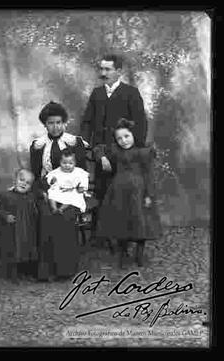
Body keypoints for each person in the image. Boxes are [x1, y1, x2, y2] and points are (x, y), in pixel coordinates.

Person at [81, 53, 148, 239]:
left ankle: (125, 236)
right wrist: (86, 141)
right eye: (101, 69)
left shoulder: (131, 93)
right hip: (101, 152)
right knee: (102, 192)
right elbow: (87, 121)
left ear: (119, 71)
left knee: (123, 195)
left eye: (107, 69)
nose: (103, 73)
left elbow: (140, 124)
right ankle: (102, 234)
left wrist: (133, 150)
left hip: (123, 154)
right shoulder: (97, 93)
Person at [30, 101, 89, 281]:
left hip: (71, 190)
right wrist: (44, 192)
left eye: (58, 122)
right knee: (47, 216)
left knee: (64, 216)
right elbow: (36, 173)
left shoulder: (74, 142)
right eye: (50, 123)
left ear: (64, 123)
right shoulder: (38, 146)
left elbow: (81, 172)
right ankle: (46, 271)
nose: (55, 127)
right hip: (47, 189)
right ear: (45, 124)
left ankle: (65, 268)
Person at [95, 118, 162, 268]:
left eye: (126, 136)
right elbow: (98, 148)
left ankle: (139, 252)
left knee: (140, 222)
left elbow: (149, 175)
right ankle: (123, 252)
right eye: (119, 138)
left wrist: (148, 195)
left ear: (133, 135)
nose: (123, 141)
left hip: (139, 193)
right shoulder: (115, 150)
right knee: (121, 222)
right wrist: (103, 158)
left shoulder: (143, 152)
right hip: (119, 192)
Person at [0, 168, 38, 282]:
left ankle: (26, 272)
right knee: (13, 252)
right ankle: (13, 275)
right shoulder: (5, 195)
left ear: (31, 186)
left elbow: (34, 211)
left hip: (26, 229)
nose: (24, 184)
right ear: (15, 180)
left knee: (27, 251)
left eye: (27, 183)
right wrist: (6, 215)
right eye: (21, 180)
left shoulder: (30, 197)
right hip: (12, 230)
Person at [45, 148, 89, 214]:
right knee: (52, 193)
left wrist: (82, 186)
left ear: (75, 163)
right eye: (64, 163)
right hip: (59, 189)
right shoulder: (57, 171)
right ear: (60, 162)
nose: (67, 165)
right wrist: (52, 181)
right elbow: (50, 177)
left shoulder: (79, 172)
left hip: (72, 190)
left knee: (74, 197)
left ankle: (61, 209)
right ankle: (54, 208)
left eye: (70, 163)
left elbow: (84, 179)